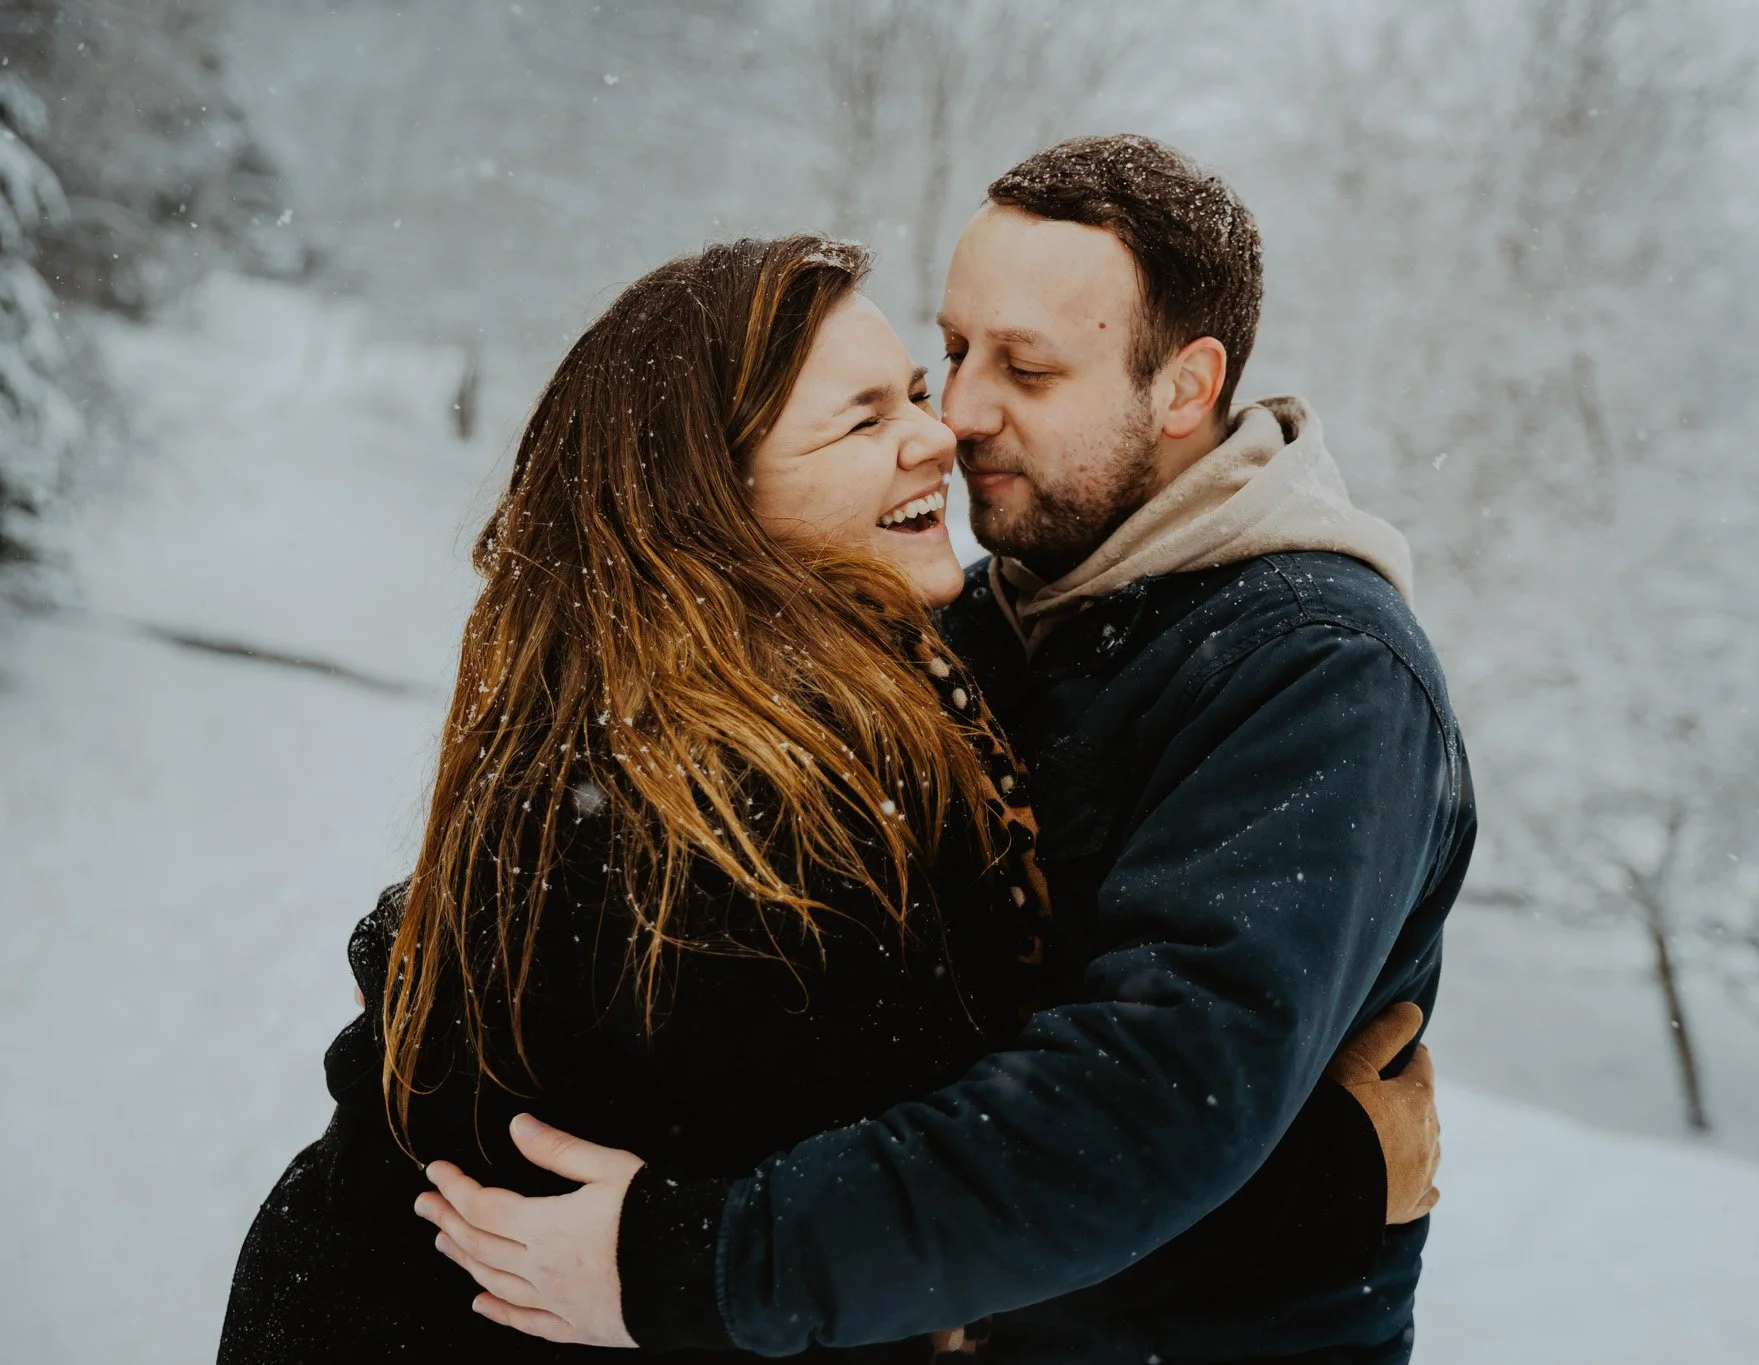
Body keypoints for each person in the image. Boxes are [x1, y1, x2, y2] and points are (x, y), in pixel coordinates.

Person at [216, 231, 1438, 1364]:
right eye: (865, 420)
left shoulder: (740, 703)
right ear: (714, 504)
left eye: (915, 387)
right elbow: (943, 1175)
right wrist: (1323, 1191)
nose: (943, 429)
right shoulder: (737, 823)